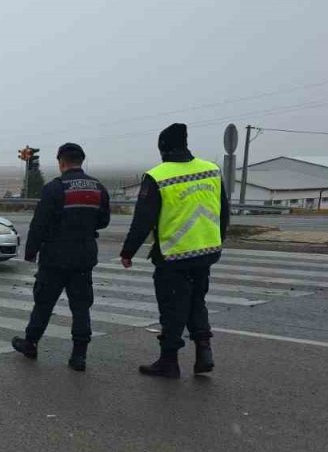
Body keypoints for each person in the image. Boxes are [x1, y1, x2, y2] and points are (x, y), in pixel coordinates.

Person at [120, 123, 230, 378]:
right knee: (196, 301)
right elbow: (224, 211)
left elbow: (143, 220)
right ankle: (204, 350)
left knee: (172, 307)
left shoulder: (158, 175)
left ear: (163, 148)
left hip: (174, 255)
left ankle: (169, 361)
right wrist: (218, 239)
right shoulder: (211, 170)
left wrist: (128, 252)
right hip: (206, 251)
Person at [12, 143, 111, 371]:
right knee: (81, 306)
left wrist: (31, 252)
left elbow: (39, 224)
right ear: (81, 161)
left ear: (61, 162)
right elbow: (104, 221)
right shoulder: (98, 188)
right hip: (84, 257)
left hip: (55, 258)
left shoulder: (54, 188)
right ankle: (79, 356)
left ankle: (31, 343)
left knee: (44, 303)